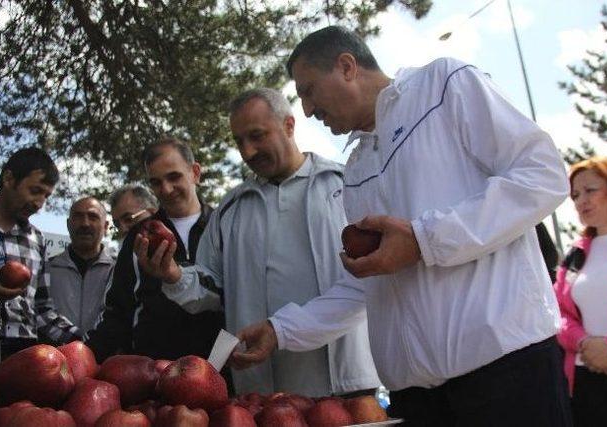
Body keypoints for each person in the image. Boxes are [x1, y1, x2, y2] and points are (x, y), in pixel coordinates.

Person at [230, 26, 572, 426]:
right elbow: (365, 285)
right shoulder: (356, 167)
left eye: (308, 91)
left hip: (508, 377)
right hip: (417, 400)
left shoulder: (444, 86)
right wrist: (282, 330)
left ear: (346, 67)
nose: (306, 110)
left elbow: (542, 175)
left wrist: (426, 239)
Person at [162, 88, 380, 396]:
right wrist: (173, 276)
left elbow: (374, 281)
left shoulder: (346, 185)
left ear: (289, 126)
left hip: (346, 387)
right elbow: (211, 288)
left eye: (257, 135)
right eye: (239, 141)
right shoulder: (230, 208)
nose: (248, 151)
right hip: (261, 394)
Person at [85, 137, 224, 362]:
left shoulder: (224, 227)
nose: (166, 189)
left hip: (219, 374)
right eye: (156, 182)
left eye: (174, 177)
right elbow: (119, 311)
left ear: (195, 173)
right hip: (154, 377)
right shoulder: (138, 237)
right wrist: (85, 357)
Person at [554, 157, 607, 427]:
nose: (581, 201)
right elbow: (558, 315)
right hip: (585, 383)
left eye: (590, 190)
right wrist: (587, 345)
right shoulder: (574, 256)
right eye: (575, 195)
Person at [0, 148, 80, 362]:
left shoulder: (36, 239)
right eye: (35, 190)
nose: (39, 203)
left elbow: (42, 308)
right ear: (8, 178)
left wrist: (81, 342)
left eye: (46, 196)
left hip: (22, 352)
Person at [48, 197, 115, 334]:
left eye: (93, 217)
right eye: (78, 217)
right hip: (53, 352)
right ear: (68, 224)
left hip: (106, 352)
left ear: (106, 226)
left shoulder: (119, 270)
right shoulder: (47, 269)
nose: (85, 224)